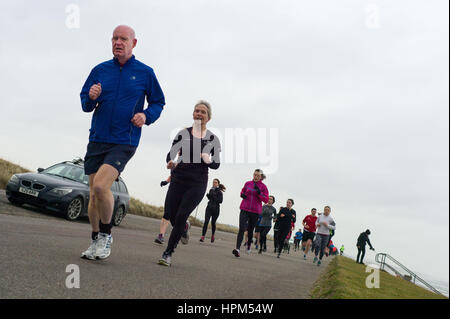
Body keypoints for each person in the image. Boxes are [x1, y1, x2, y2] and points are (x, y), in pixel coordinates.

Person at [80, 25, 165, 260]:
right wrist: (91, 97)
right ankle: (95, 239)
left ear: (133, 43)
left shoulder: (145, 73)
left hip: (124, 140)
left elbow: (158, 102)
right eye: (115, 38)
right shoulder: (100, 70)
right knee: (93, 194)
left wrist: (146, 116)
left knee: (100, 186)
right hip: (97, 137)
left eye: (123, 39)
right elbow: (86, 104)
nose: (118, 42)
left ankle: (106, 235)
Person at [158, 101, 221, 266]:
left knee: (180, 216)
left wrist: (208, 159)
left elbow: (216, 164)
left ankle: (168, 253)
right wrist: (171, 162)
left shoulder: (213, 139)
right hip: (178, 178)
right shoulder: (183, 133)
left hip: (197, 183)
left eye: (203, 112)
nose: (199, 114)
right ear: (193, 114)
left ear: (208, 117)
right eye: (197, 111)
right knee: (170, 214)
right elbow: (170, 154)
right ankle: (184, 228)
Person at [232, 169, 269, 257]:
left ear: (261, 177)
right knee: (241, 228)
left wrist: (259, 193)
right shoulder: (248, 183)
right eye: (254, 175)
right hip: (244, 208)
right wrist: (242, 194)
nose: (255, 177)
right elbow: (243, 191)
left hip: (255, 211)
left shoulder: (263, 187)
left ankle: (248, 245)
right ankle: (237, 249)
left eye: (257, 176)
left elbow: (266, 200)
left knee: (250, 230)